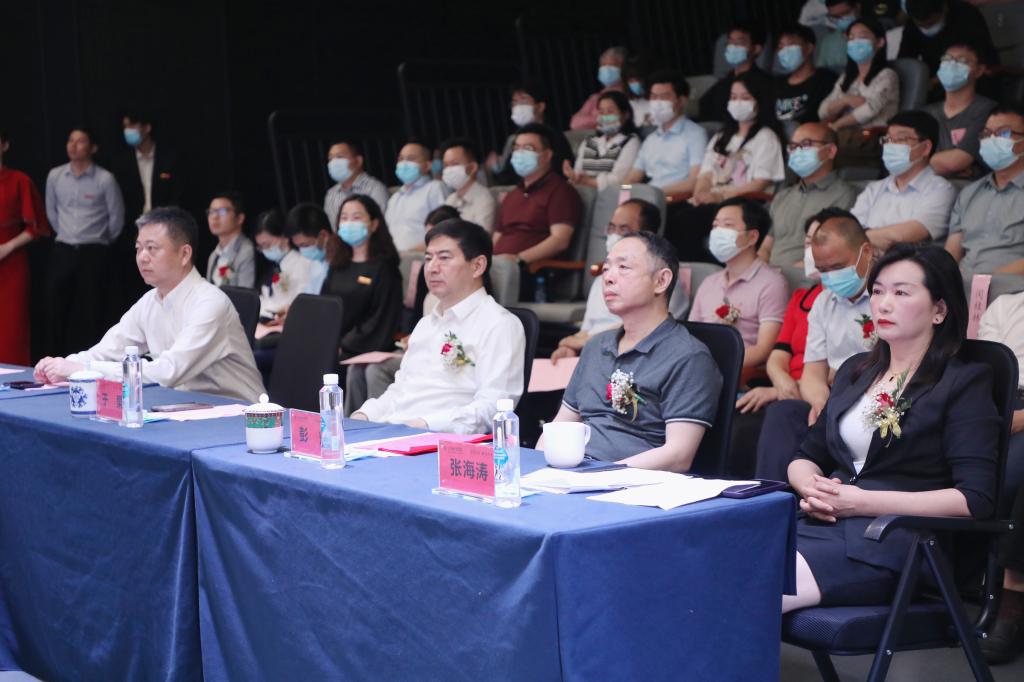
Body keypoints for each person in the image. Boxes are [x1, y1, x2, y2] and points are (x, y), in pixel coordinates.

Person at [782, 244, 999, 614]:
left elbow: (973, 499)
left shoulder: (963, 382)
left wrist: (861, 502)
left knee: (754, 586)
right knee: (719, 563)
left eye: (901, 293)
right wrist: (811, 487)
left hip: (894, 542)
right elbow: (806, 455)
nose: (883, 304)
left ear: (939, 310)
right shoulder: (856, 371)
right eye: (878, 291)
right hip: (819, 524)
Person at [33, 206, 264, 402]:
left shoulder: (210, 303)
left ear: (184, 254)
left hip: (240, 418)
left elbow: (167, 372)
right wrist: (62, 364)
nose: (142, 257)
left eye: (152, 248)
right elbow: (108, 351)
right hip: (186, 409)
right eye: (138, 248)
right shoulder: (150, 301)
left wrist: (84, 370)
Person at [544, 231, 723, 471]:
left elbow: (679, 455)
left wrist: (601, 476)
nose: (608, 278)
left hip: (632, 482)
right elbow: (561, 425)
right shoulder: (596, 346)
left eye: (623, 267)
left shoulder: (689, 356)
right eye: (606, 268)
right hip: (575, 474)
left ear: (661, 281)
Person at [352, 220, 525, 434]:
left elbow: (493, 408)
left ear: (477, 266)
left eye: (444, 258)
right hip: (398, 433)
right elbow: (400, 391)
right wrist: (364, 416)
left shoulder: (499, 325)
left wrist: (425, 424)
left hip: (440, 440)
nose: (432, 268)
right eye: (428, 258)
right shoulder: (426, 324)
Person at [755, 211, 877, 480]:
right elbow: (812, 373)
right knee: (784, 413)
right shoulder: (823, 301)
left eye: (837, 267)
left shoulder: (887, 297)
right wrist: (822, 403)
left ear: (866, 252)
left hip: (878, 396)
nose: (830, 277)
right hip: (834, 397)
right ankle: (770, 494)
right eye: (823, 271)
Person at [731, 212, 828, 477]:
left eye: (819, 242)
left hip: (815, 393)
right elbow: (779, 353)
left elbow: (841, 368)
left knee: (767, 419)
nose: (811, 250)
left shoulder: (850, 303)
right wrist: (780, 381)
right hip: (787, 387)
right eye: (807, 242)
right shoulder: (801, 297)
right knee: (737, 417)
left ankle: (768, 497)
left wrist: (779, 391)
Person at [550, 199, 689, 363]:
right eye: (611, 228)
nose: (615, 235)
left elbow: (652, 327)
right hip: (593, 356)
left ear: (647, 234)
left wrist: (587, 342)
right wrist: (570, 347)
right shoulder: (602, 280)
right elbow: (586, 330)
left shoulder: (661, 281)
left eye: (624, 229)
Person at [669, 73, 786, 263]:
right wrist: (700, 195)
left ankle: (696, 271)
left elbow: (760, 183)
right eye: (734, 97)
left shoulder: (767, 137)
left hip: (745, 203)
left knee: (686, 221)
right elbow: (705, 175)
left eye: (745, 97)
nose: (738, 102)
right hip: (713, 201)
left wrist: (720, 197)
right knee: (669, 213)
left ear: (760, 101)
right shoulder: (721, 136)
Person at [45, 126, 125, 355]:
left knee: (93, 310)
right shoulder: (55, 176)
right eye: (70, 140)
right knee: (56, 309)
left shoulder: (105, 179)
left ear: (93, 148)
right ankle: (54, 359)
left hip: (94, 251)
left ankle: (94, 360)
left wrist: (100, 240)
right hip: (64, 249)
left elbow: (116, 218)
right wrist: (67, 234)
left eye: (80, 141)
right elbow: (52, 212)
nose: (73, 145)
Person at [688, 198, 789, 371]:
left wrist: (715, 369)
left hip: (739, 375)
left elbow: (764, 349)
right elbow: (690, 335)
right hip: (699, 369)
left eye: (727, 225)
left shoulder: (772, 283)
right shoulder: (709, 282)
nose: (718, 232)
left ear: (752, 237)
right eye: (715, 226)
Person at [978, 289, 1024, 663]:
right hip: (998, 403)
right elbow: (986, 373)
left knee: (1012, 473)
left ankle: (1011, 604)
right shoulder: (1007, 306)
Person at [491, 123, 582, 303]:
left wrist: (518, 259)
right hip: (498, 269)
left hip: (530, 272)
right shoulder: (512, 195)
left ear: (547, 155)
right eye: (516, 148)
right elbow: (497, 236)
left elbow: (560, 240)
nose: (519, 153)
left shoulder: (561, 191)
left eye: (528, 148)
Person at [850, 111, 957, 251]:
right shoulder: (874, 189)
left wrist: (858, 238)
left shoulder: (941, 190)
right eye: (888, 139)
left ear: (925, 147)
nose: (890, 145)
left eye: (900, 139)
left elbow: (903, 236)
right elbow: (848, 230)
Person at [111, 109, 183, 312]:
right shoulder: (121, 162)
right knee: (136, 292)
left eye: (132, 126)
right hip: (133, 232)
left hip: (165, 230)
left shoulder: (169, 158)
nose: (128, 131)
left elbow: (177, 197)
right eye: (125, 126)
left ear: (146, 127)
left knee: (166, 285)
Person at [759, 122, 858, 267]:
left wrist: (786, 273)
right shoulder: (783, 196)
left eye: (806, 145)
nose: (797, 151)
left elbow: (833, 252)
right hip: (771, 275)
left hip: (808, 275)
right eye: (793, 147)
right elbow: (765, 248)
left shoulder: (843, 195)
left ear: (830, 151)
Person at [944, 103, 1024, 275]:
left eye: (1003, 133)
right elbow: (951, 254)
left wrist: (986, 281)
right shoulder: (969, 193)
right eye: (987, 134)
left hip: (1012, 287)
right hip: (964, 285)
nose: (992, 140)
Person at [818, 16, 899, 169]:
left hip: (873, 137)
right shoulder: (846, 78)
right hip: (846, 136)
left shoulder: (887, 75)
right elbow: (822, 111)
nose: (856, 42)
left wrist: (837, 125)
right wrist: (846, 100)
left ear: (880, 42)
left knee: (820, 151)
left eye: (862, 37)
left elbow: (869, 110)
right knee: (809, 145)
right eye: (851, 38)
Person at [0, 128, 50, 365]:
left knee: (12, 325)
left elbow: (36, 227)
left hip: (11, 262)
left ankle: (13, 379)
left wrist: (6, 248)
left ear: (5, 145)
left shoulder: (20, 180)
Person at [625, 70, 708, 201]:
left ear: (682, 101)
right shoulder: (651, 139)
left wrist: (654, 194)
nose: (657, 103)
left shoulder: (696, 135)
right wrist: (623, 198)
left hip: (674, 200)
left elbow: (694, 181)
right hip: (649, 199)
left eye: (664, 97)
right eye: (654, 97)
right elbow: (632, 178)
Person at [924, 42, 997, 179]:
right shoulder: (926, 112)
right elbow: (906, 159)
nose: (952, 64)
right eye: (946, 59)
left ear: (979, 70)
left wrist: (921, 163)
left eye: (962, 61)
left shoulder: (987, 110)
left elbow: (955, 162)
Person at [899, 0, 998, 100]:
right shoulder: (912, 24)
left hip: (971, 77)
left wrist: (937, 80)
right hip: (934, 83)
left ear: (944, 8)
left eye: (931, 24)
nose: (927, 28)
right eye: (922, 26)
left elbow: (982, 59)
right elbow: (905, 59)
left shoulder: (966, 15)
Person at [487, 82, 574, 185]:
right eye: (515, 102)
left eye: (524, 100)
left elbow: (560, 171)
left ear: (540, 107)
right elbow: (507, 176)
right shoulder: (514, 139)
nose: (518, 106)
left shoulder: (553, 137)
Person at [699, 22, 774, 124]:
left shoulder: (766, 84)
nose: (733, 47)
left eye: (739, 43)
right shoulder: (724, 83)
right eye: (730, 42)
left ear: (756, 49)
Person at [564, 91, 641, 191]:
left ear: (626, 115)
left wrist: (587, 181)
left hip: (614, 194)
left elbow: (619, 179)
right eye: (601, 112)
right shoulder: (589, 141)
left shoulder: (631, 141)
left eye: (610, 111)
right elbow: (578, 172)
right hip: (584, 192)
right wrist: (572, 175)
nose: (605, 116)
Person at [384, 140, 448, 252]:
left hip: (424, 256)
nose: (404, 164)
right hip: (394, 258)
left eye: (411, 159)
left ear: (427, 165)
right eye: (401, 159)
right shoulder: (395, 198)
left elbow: (445, 230)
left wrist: (411, 254)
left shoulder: (435, 188)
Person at [253, 208, 313, 322]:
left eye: (268, 245)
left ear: (285, 237)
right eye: (261, 247)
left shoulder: (302, 263)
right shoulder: (274, 267)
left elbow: (303, 300)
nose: (265, 250)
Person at [774, 24, 840, 124]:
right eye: (781, 47)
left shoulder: (826, 80)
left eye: (790, 45)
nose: (784, 51)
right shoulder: (777, 83)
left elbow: (832, 117)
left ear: (809, 48)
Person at [323, 139, 389, 227]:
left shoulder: (375, 189)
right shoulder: (331, 194)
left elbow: (379, 225)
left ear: (358, 161)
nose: (333, 162)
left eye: (339, 157)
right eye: (330, 159)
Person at [440, 137, 496, 232]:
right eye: (445, 165)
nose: (448, 170)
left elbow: (481, 237)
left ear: (472, 168)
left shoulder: (484, 200)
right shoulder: (451, 200)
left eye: (454, 164)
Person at [570, 46, 629, 130]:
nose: (606, 69)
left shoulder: (629, 94)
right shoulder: (595, 98)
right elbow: (575, 123)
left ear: (623, 68)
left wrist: (593, 119)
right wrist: (604, 118)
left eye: (612, 65)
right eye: (603, 65)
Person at [205, 191, 256, 288]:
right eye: (211, 212)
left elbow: (246, 294)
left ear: (240, 218)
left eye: (222, 211)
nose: (214, 217)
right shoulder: (213, 256)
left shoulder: (246, 251)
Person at [816, 1, 862, 72]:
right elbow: (821, 71)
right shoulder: (828, 41)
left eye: (845, 13)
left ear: (857, 8)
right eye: (835, 17)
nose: (842, 20)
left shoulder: (873, 36)